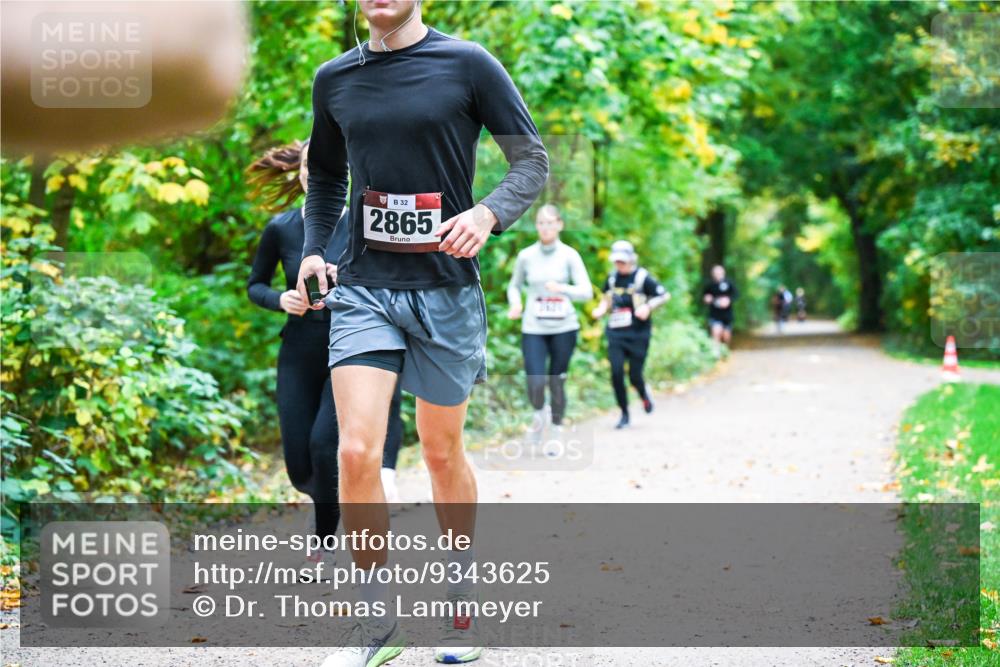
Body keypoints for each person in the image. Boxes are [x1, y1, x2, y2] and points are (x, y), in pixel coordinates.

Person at [298, 1, 548, 664]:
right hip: (364, 289)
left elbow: (530, 160)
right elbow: (326, 176)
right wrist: (315, 248)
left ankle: (460, 599)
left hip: (446, 290)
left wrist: (488, 214)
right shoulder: (335, 78)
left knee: (441, 452)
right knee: (356, 451)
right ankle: (378, 627)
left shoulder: (467, 64)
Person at [246, 141, 406, 562]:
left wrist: (346, 278)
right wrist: (280, 299)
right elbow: (255, 285)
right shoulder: (280, 228)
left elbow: (389, 282)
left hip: (350, 348)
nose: (313, 174)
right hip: (299, 351)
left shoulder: (362, 226)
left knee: (324, 446)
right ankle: (328, 505)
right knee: (300, 467)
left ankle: (324, 543)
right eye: (307, 166)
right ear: (299, 172)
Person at [506, 204, 591, 441]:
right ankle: (539, 415)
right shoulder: (526, 256)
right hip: (534, 327)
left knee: (557, 381)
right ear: (536, 226)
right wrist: (516, 303)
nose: (546, 228)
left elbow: (586, 292)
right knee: (535, 380)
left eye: (550, 223)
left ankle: (555, 430)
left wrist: (562, 288)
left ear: (559, 225)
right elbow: (514, 286)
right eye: (541, 223)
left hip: (564, 328)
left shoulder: (569, 255)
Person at [591, 241, 670, 430]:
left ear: (631, 259)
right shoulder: (612, 279)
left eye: (622, 261)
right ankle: (624, 413)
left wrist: (648, 307)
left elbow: (664, 295)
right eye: (616, 261)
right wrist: (600, 309)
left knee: (635, 375)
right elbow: (606, 299)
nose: (619, 264)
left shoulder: (642, 278)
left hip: (638, 333)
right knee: (616, 372)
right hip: (616, 333)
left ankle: (644, 395)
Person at [701, 264, 738, 346]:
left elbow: (736, 295)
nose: (717, 275)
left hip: (727, 314)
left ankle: (725, 349)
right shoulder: (709, 285)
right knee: (716, 332)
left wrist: (728, 300)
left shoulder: (729, 283)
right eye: (715, 273)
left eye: (719, 273)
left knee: (726, 336)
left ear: (723, 273)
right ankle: (716, 351)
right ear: (712, 274)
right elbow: (705, 296)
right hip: (714, 313)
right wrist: (707, 299)